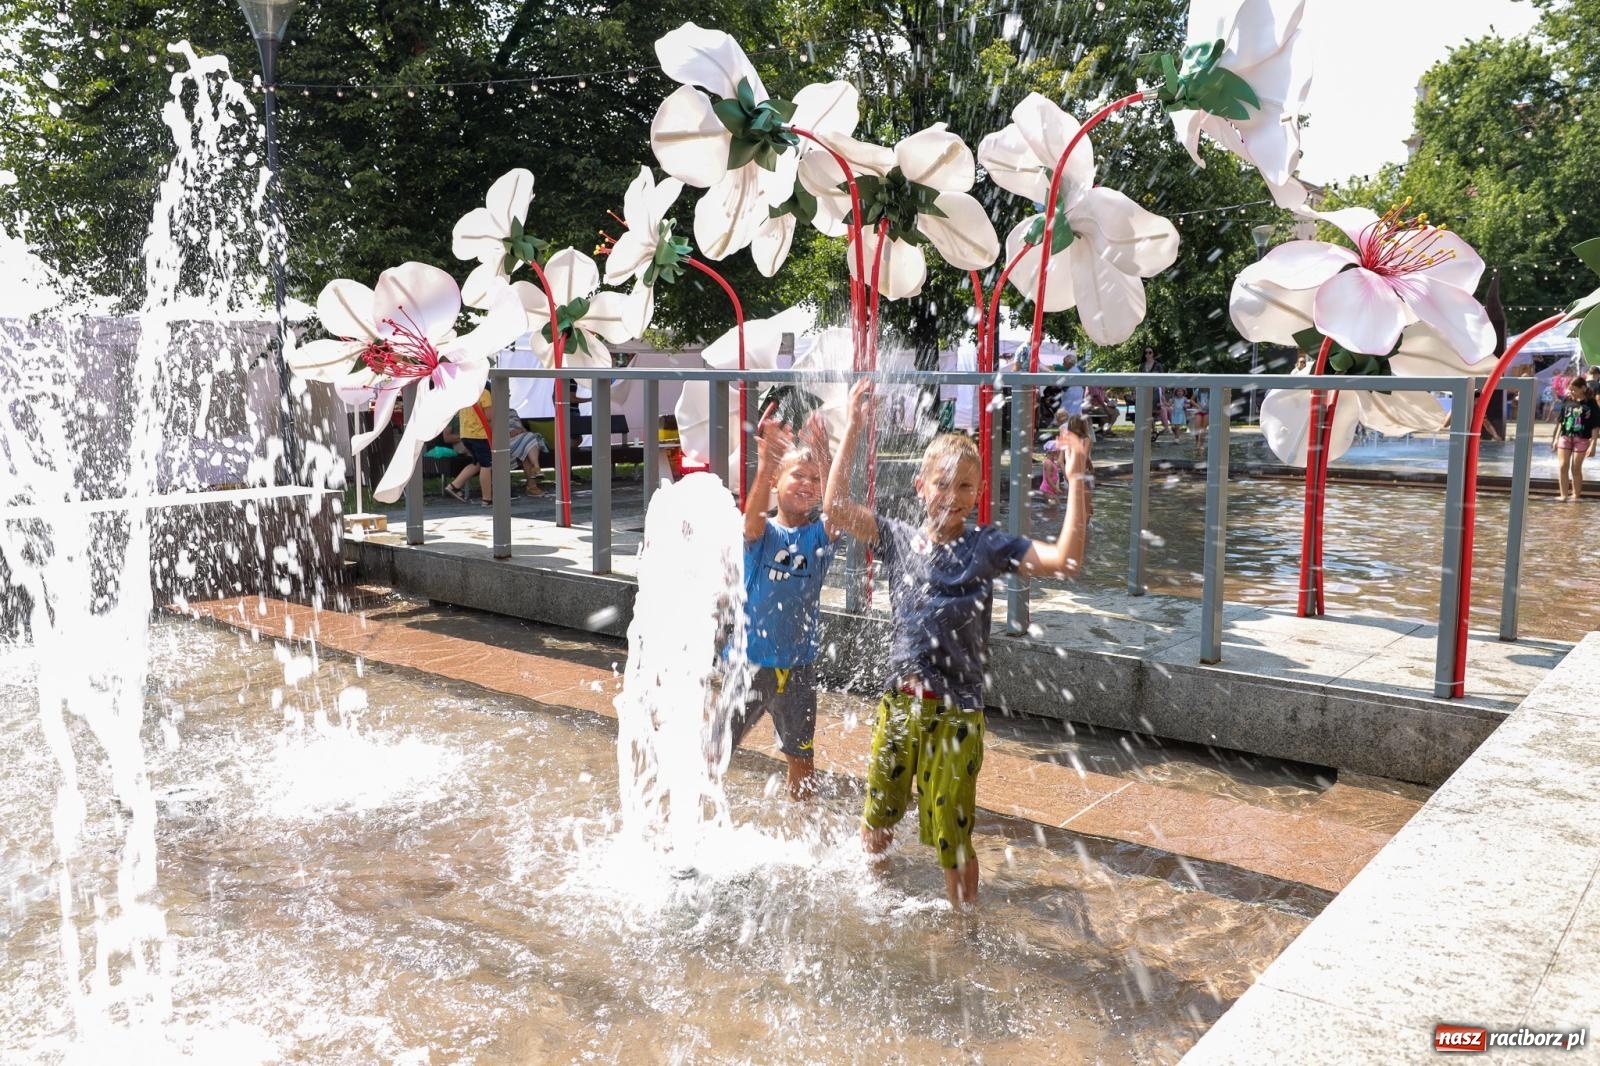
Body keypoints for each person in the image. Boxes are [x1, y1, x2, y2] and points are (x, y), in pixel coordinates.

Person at [823, 379, 1092, 907]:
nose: (952, 496)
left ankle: (961, 926)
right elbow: (835, 509)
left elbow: (1066, 561)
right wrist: (853, 427)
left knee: (952, 834)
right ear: (921, 486)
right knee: (878, 813)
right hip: (900, 704)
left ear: (978, 494)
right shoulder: (898, 537)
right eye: (942, 484)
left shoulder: (987, 545)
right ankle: (874, 899)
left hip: (956, 714)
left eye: (965, 487)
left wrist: (1078, 476)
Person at [728, 414, 838, 800]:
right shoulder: (763, 534)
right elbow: (752, 521)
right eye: (797, 476)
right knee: (717, 750)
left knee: (801, 759)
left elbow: (837, 504)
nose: (807, 484)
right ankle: (689, 825)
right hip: (749, 664)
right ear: (777, 482)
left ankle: (802, 829)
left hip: (798, 669)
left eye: (814, 479)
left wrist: (825, 455)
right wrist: (768, 462)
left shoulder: (819, 538)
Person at [1552, 377, 1600, 502]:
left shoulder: (1591, 403)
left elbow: (1595, 425)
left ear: (1583, 388)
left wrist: (1593, 444)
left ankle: (1575, 496)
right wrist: (1556, 439)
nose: (1571, 392)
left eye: (1574, 390)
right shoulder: (1567, 400)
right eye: (1570, 389)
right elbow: (1561, 420)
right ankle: (1563, 495)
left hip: (1582, 438)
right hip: (1565, 436)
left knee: (1575, 468)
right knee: (1563, 466)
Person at [1138, 345, 1176, 441]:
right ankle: (1153, 430)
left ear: (1153, 353)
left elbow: (1162, 380)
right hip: (1145, 391)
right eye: (1146, 352)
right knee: (1147, 411)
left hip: (1156, 391)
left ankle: (1168, 428)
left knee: (1160, 408)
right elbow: (1138, 379)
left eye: (1150, 352)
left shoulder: (1158, 365)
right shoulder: (1142, 366)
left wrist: (1162, 394)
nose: (1148, 354)